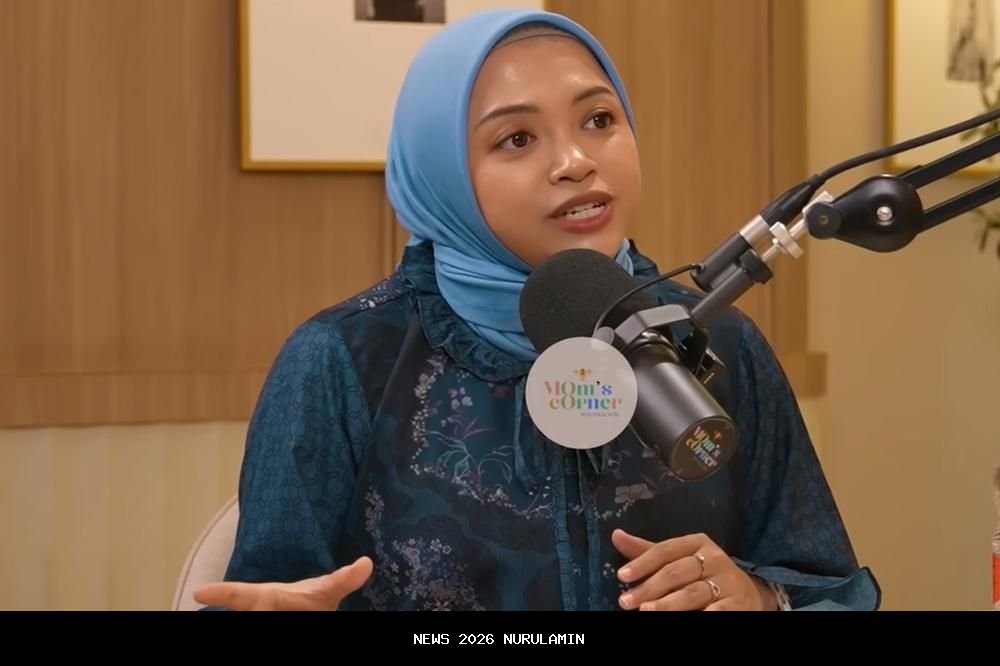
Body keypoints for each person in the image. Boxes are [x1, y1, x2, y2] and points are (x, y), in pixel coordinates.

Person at [193, 7, 881, 611]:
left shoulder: (717, 339)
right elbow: (263, 597)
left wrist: (758, 597)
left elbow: (827, 587)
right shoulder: (341, 361)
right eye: (517, 139)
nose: (576, 161)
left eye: (599, 120)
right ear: (442, 174)